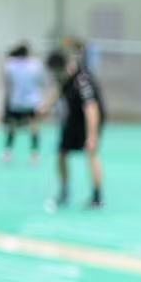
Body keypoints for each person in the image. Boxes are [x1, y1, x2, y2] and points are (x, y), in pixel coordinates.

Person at [43, 44, 104, 210]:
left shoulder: (82, 80)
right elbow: (58, 91)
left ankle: (97, 197)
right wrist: (45, 108)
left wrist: (92, 136)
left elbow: (91, 108)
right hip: (73, 118)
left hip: (89, 119)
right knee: (61, 153)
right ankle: (64, 192)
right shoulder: (63, 77)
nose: (54, 75)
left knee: (91, 153)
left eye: (55, 71)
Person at [1, 42, 43, 164]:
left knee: (12, 127)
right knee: (34, 127)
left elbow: (7, 82)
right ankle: (34, 153)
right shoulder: (35, 64)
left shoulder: (10, 64)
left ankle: (7, 152)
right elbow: (40, 81)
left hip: (16, 101)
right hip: (32, 101)